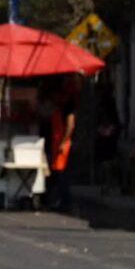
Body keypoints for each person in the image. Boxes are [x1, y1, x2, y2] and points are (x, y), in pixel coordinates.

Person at [49, 81, 78, 212]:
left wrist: (63, 142)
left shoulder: (68, 108)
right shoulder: (59, 108)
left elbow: (70, 126)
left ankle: (65, 202)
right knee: (59, 174)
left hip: (64, 145)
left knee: (62, 175)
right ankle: (61, 200)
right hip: (58, 144)